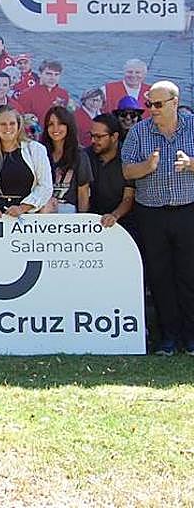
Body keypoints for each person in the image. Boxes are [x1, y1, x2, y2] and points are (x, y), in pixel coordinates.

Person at [120, 80, 194, 355]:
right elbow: (127, 171)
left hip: (188, 210)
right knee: (160, 276)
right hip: (151, 213)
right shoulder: (139, 132)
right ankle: (168, 337)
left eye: (158, 104)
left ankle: (191, 336)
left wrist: (190, 164)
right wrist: (147, 167)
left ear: (175, 102)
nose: (152, 109)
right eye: (149, 104)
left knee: (189, 275)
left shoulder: (193, 127)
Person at [0, 106, 54, 218]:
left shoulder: (36, 150)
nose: (8, 128)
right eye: (3, 124)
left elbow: (45, 187)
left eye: (12, 123)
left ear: (18, 126)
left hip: (28, 219)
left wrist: (22, 208)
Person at [85, 113, 135, 234]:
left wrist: (114, 216)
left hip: (123, 225)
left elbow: (129, 197)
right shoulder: (85, 156)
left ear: (114, 137)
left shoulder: (128, 157)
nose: (93, 140)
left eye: (98, 137)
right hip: (90, 225)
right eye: (91, 135)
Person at [41, 106, 92, 213]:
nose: (55, 128)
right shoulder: (40, 152)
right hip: (42, 214)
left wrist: (82, 220)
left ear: (69, 126)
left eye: (60, 123)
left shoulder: (79, 155)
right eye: (51, 124)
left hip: (69, 216)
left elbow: (83, 192)